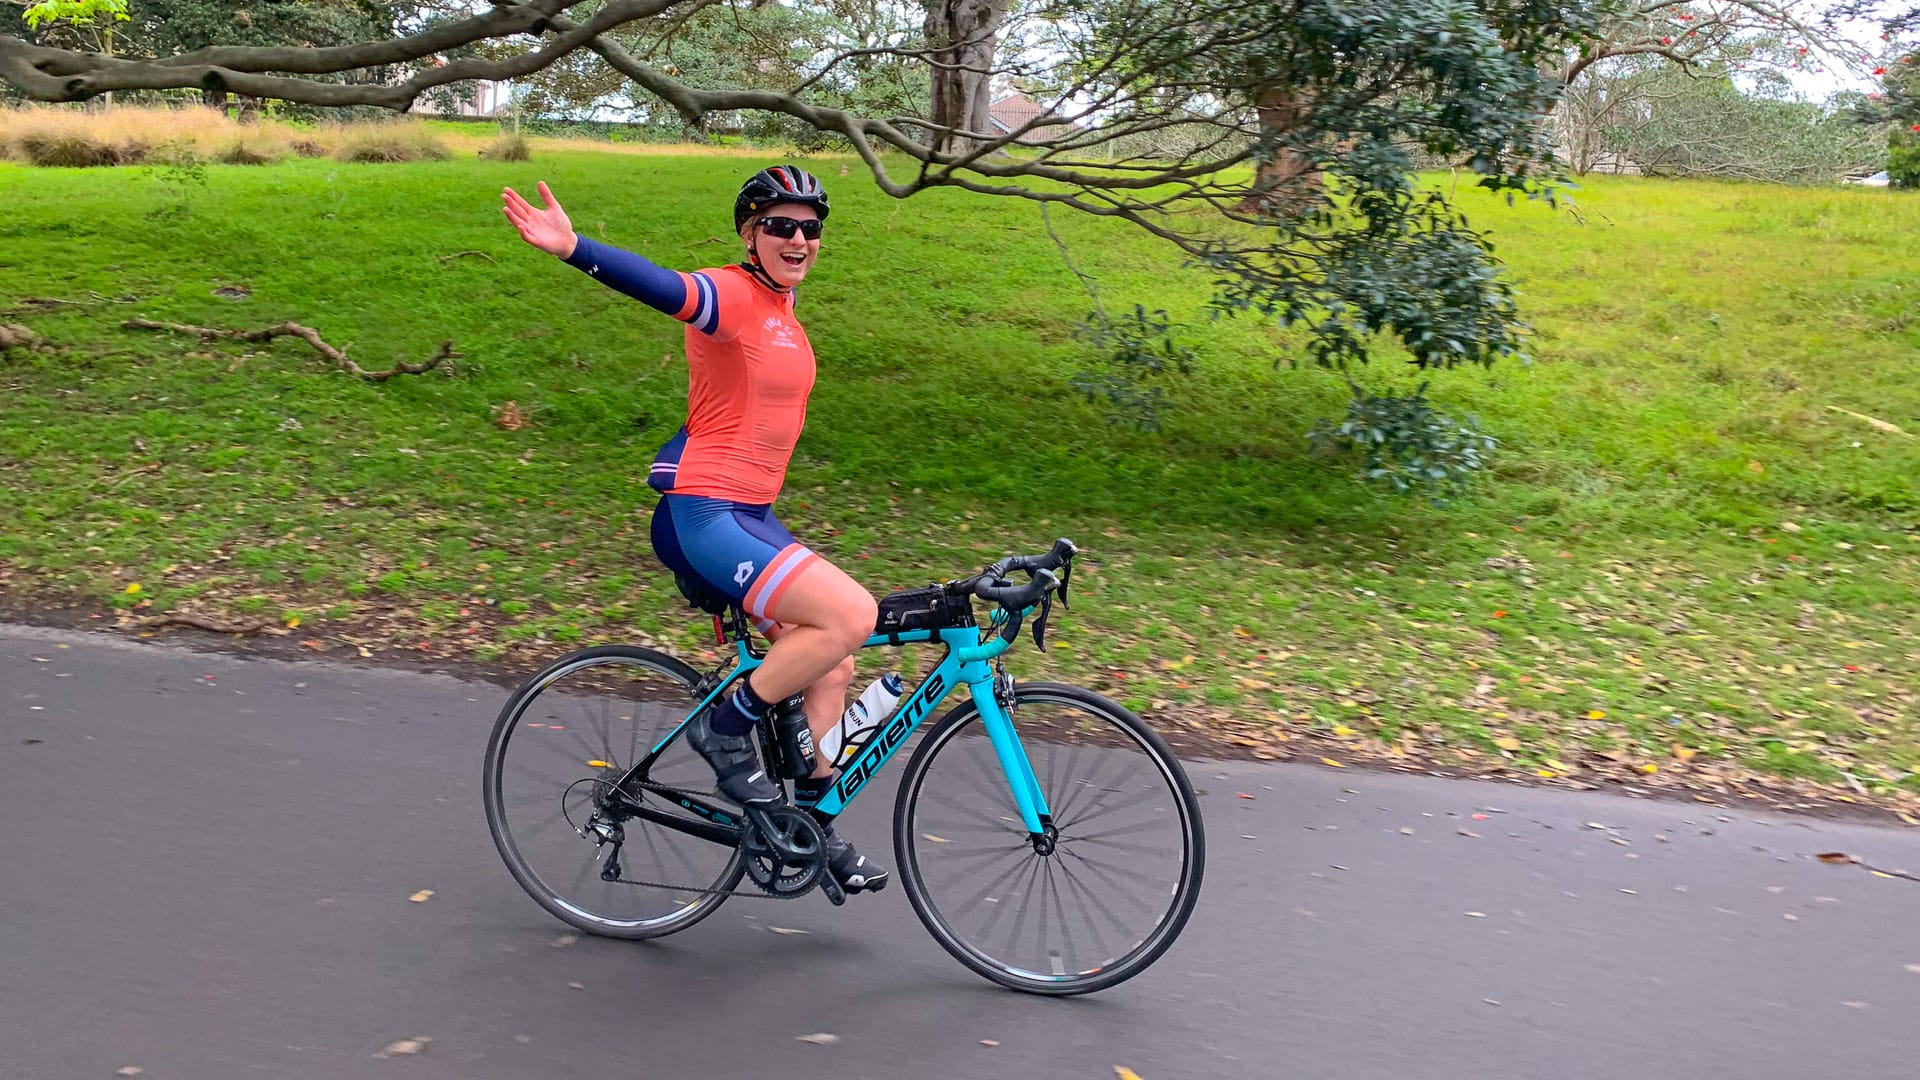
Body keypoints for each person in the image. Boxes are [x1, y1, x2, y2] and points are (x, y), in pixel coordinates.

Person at [500, 165, 887, 893]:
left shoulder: (783, 311)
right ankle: (726, 729)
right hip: (704, 513)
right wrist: (573, 245)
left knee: (831, 663)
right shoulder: (735, 297)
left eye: (810, 227)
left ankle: (807, 828)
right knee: (852, 615)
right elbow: (663, 286)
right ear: (750, 233)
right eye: (780, 224)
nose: (798, 237)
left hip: (749, 515)